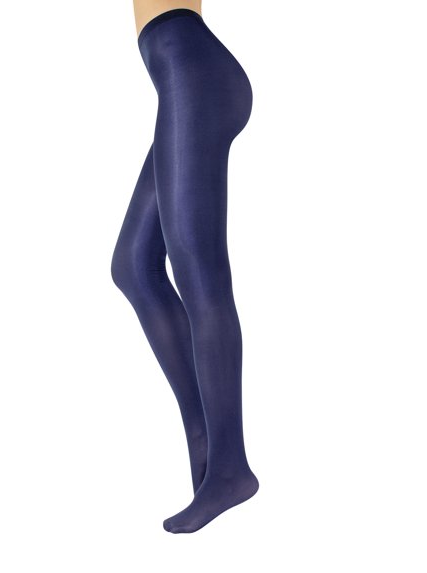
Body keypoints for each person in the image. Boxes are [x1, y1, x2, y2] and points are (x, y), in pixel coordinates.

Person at [111, 0, 259, 534]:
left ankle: (230, 467)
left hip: (190, 66)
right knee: (134, 265)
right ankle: (207, 444)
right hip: (183, 71)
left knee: (200, 272)